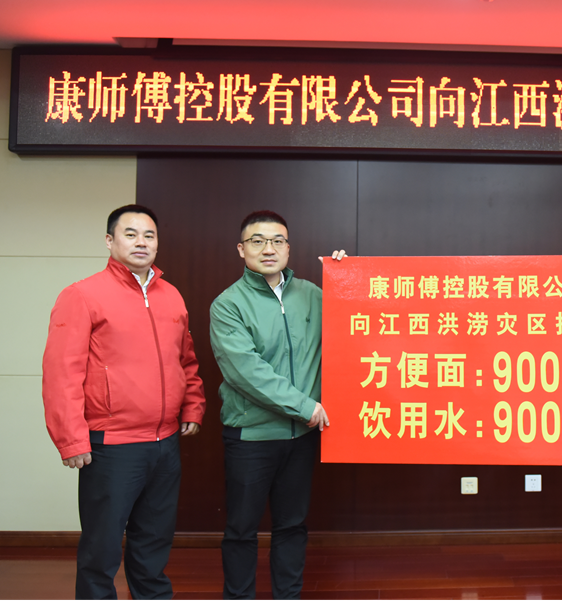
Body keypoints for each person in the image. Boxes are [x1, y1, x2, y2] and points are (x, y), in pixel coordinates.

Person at [42, 204, 206, 600]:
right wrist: (71, 439)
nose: (141, 242)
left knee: (153, 543)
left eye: (149, 235)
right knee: (101, 549)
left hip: (165, 444)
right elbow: (62, 373)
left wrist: (192, 406)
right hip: (112, 445)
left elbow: (186, 360)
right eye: (130, 234)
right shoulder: (82, 295)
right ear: (109, 240)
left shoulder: (171, 296)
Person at [210, 210, 343, 599]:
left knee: (292, 526)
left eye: (277, 241)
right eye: (257, 241)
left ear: (288, 248)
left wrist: (347, 277)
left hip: (302, 436)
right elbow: (246, 372)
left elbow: (358, 324)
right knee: (241, 529)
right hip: (251, 436)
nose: (268, 249)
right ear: (241, 249)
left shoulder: (313, 295)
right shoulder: (228, 304)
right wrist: (305, 406)